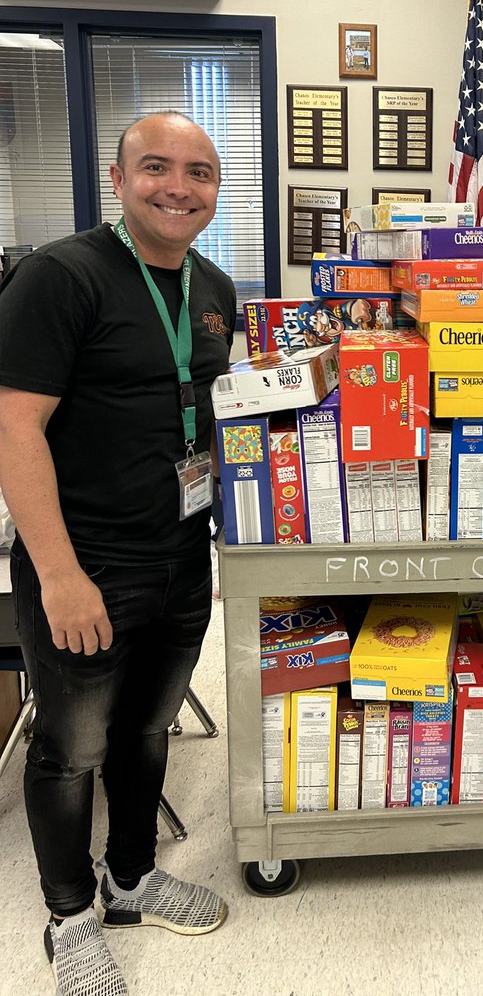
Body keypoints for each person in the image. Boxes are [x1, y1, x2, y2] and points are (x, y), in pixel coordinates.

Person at [0, 112, 237, 994]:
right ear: (118, 176)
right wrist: (59, 575)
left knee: (146, 728)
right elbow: (13, 427)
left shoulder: (213, 286)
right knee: (73, 749)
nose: (179, 187)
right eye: (157, 168)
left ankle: (129, 878)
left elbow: (209, 422)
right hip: (85, 562)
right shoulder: (59, 277)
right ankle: (68, 916)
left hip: (181, 556)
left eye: (200, 173)